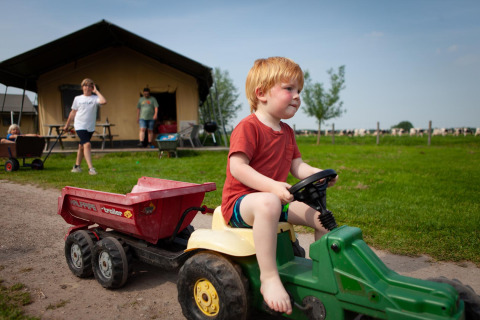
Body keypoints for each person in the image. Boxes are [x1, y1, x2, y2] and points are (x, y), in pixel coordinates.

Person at [221, 57, 338, 315]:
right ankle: (269, 278)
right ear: (261, 93)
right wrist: (273, 186)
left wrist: (319, 174)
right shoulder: (247, 127)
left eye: (299, 91)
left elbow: (297, 166)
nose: (297, 96)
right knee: (269, 202)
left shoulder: (287, 132)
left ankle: (322, 276)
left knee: (321, 218)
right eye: (289, 89)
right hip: (243, 203)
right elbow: (237, 168)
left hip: (276, 201)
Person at [64, 78, 107, 175]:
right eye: (85, 85)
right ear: (82, 87)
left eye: (90, 85)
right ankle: (91, 168)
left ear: (92, 87)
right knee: (87, 144)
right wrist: (67, 125)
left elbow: (104, 101)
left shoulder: (95, 98)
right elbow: (73, 112)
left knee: (81, 146)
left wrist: (96, 91)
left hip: (90, 126)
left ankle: (76, 167)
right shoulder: (77, 98)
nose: (87, 87)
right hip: (79, 125)